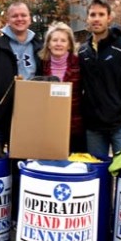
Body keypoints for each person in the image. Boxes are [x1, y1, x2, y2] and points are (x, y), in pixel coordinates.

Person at [78, 0, 121, 157]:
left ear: (109, 18)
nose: (96, 19)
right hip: (93, 127)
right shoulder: (82, 52)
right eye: (93, 15)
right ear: (87, 18)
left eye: (101, 14)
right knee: (97, 174)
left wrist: (120, 106)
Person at [0, 1, 43, 147]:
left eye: (23, 15)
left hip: (28, 117)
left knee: (20, 163)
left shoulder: (40, 48)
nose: (19, 19)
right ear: (8, 20)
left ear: (30, 19)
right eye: (15, 16)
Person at [38, 21, 86, 153]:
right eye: (54, 40)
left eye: (63, 40)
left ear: (69, 44)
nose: (58, 44)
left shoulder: (80, 64)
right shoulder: (41, 66)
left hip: (74, 127)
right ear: (48, 44)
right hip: (48, 127)